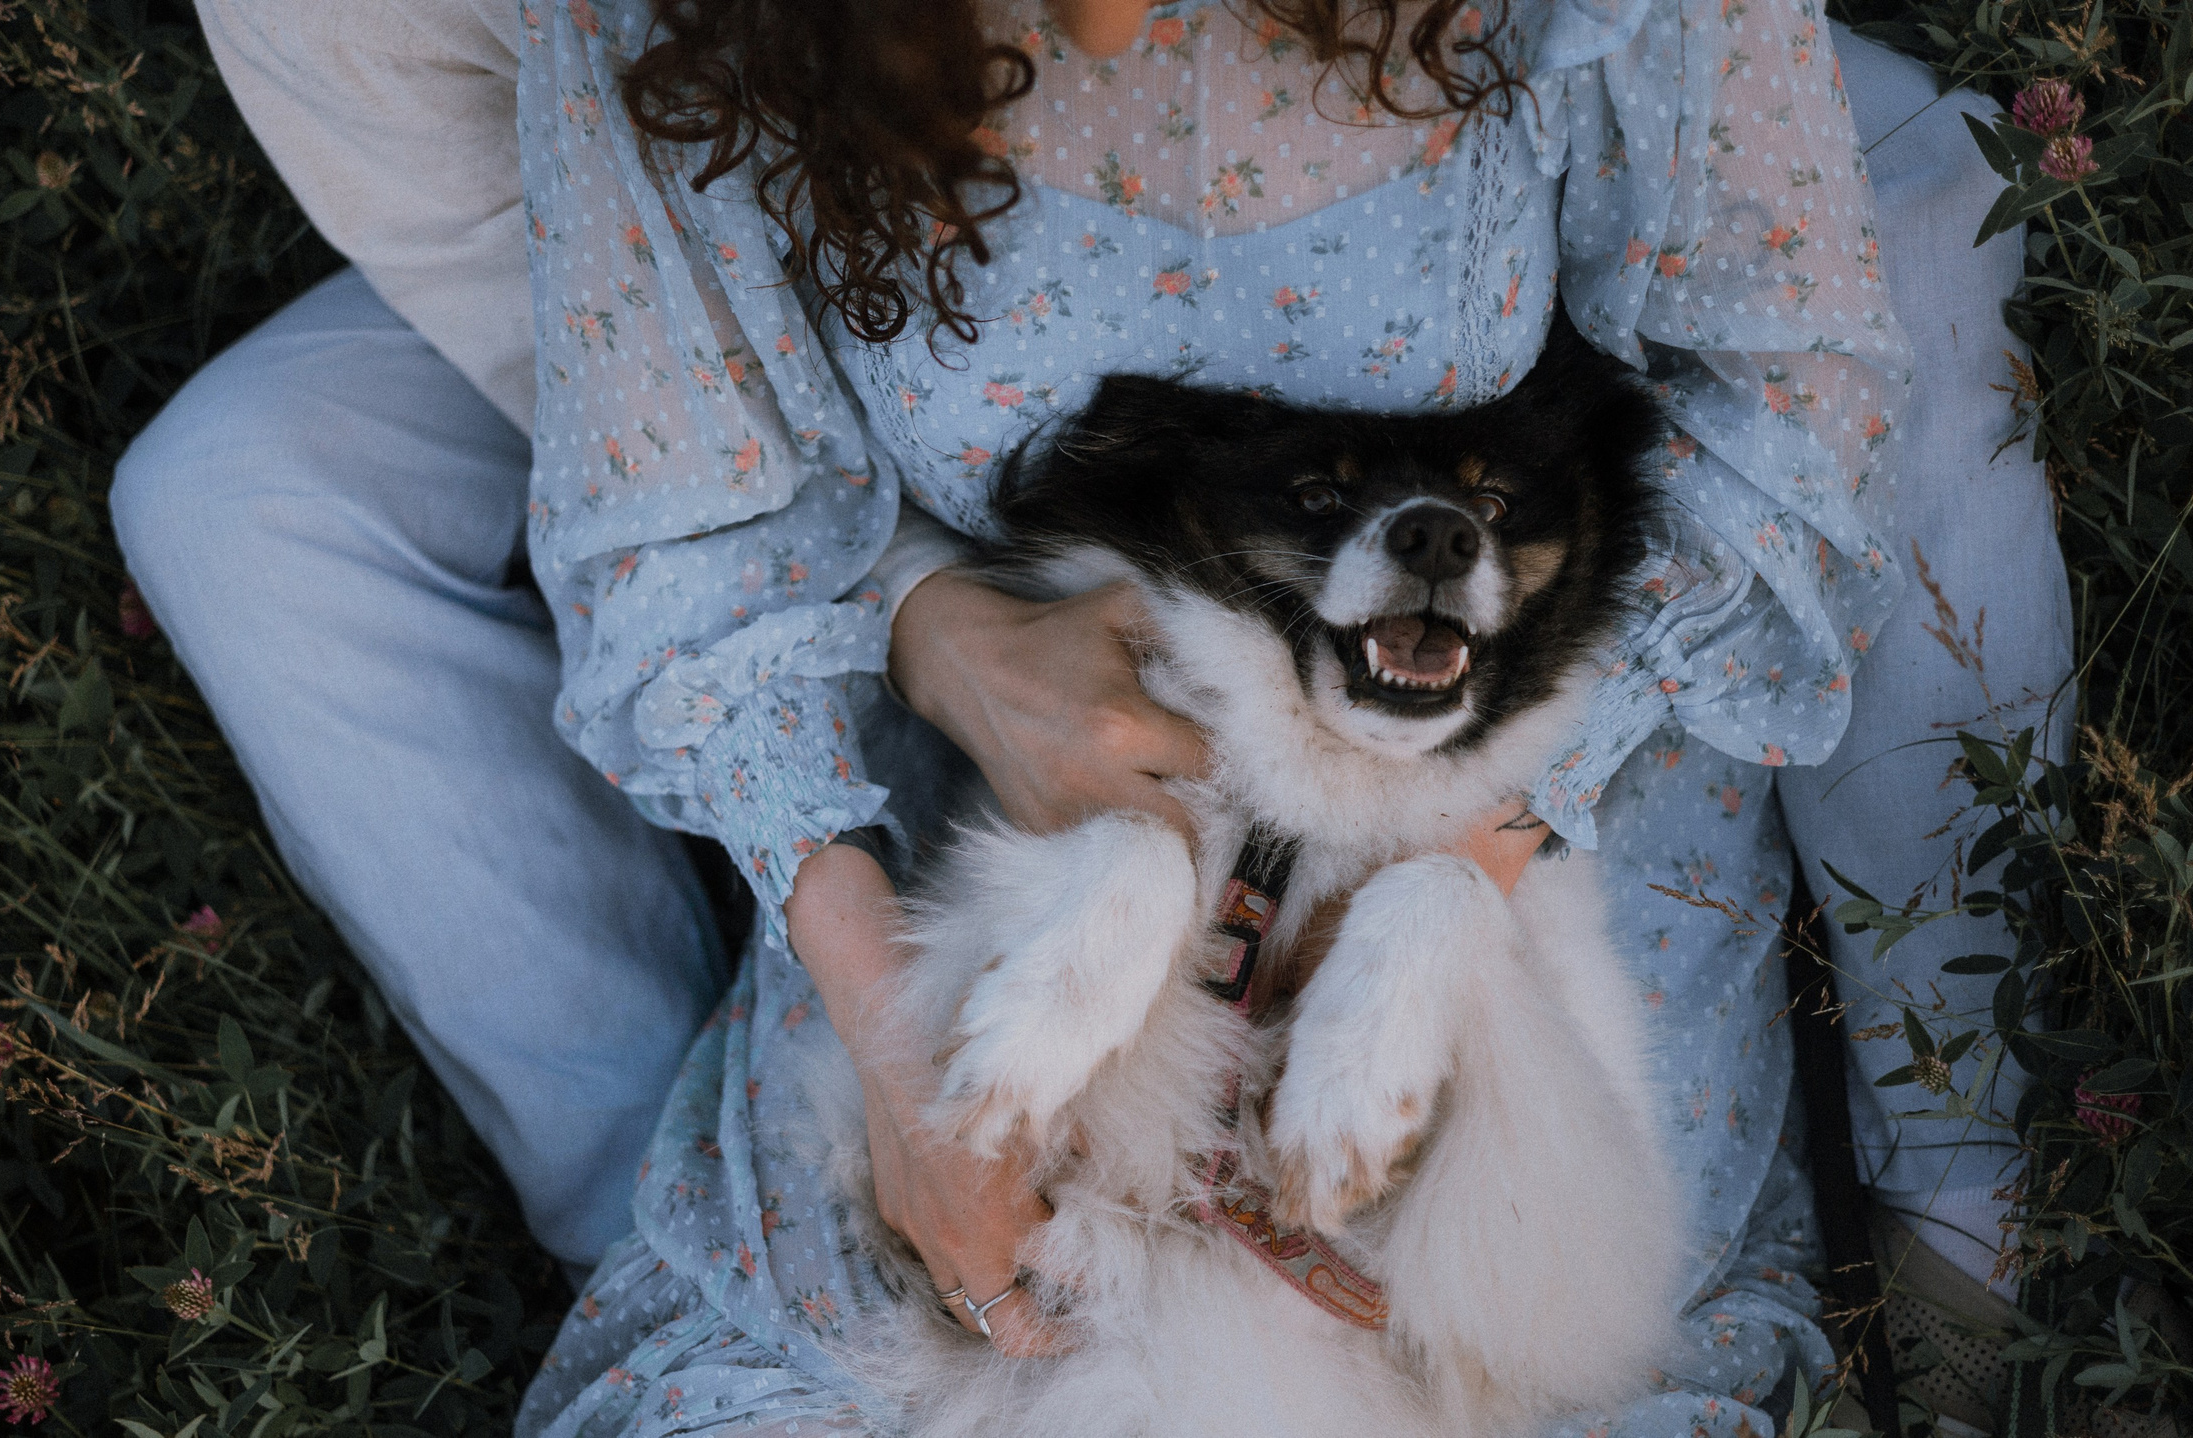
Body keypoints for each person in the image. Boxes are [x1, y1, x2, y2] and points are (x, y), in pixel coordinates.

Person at [111, 0, 2071, 1432]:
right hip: (1026, 790)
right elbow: (681, 528)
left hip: (1522, 764)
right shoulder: (679, 39)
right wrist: (897, 1040)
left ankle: (1972, 1210)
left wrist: (1463, 858)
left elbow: (1786, 397)